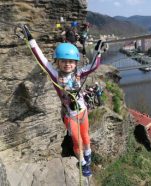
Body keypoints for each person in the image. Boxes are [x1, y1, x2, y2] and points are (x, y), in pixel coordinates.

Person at [20, 25, 106, 177]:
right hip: (69, 115)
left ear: (75, 63)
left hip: (83, 111)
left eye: (71, 61)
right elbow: (41, 58)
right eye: (63, 61)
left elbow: (94, 66)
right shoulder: (55, 74)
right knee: (77, 140)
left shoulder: (79, 73)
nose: (67, 64)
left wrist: (98, 52)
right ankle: (83, 163)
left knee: (86, 138)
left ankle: (88, 157)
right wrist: (30, 39)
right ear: (58, 62)